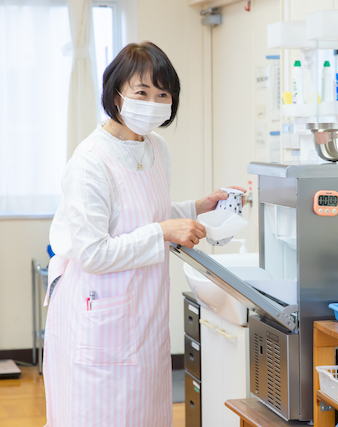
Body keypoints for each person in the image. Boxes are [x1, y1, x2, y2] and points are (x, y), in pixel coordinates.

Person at [43, 41, 246, 426]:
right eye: (141, 92)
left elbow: (142, 215)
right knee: (97, 414)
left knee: (146, 413)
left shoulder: (156, 148)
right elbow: (93, 252)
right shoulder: (90, 161)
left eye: (162, 94)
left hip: (144, 310)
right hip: (97, 310)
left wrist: (198, 207)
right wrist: (163, 231)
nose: (152, 102)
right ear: (116, 94)